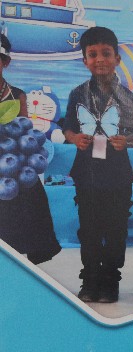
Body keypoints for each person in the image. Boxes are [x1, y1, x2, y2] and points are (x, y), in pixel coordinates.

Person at [63, 27, 133, 303]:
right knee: (88, 229)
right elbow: (68, 128)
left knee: (116, 228)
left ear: (117, 58)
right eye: (93, 54)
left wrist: (126, 140)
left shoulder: (127, 97)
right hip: (87, 173)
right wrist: (75, 138)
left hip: (118, 174)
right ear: (84, 60)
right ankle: (89, 279)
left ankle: (110, 280)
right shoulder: (77, 94)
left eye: (106, 53)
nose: (100, 59)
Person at [0, 33, 61, 264]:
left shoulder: (17, 95)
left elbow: (24, 131)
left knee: (29, 196)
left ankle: (21, 262)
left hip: (10, 163)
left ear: (6, 63)